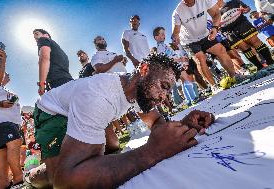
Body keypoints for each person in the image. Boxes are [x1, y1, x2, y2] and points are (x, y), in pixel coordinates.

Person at [29, 54, 214, 188]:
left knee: (112, 147)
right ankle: (30, 175)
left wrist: (184, 125)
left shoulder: (138, 89)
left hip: (81, 105)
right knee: (56, 178)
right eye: (164, 87)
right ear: (144, 70)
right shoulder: (99, 96)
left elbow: (158, 123)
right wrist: (151, 152)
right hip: (52, 112)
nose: (164, 97)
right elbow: (66, 182)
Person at [171, 0, 238, 93]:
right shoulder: (177, 11)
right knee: (200, 59)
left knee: (221, 50)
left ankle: (235, 77)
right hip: (189, 41)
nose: (187, 2)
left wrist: (215, 28)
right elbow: (176, 32)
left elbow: (216, 14)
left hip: (204, 35)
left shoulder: (204, 0)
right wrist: (175, 37)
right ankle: (214, 86)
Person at [218, 0, 274, 69]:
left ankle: (270, 62)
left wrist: (245, 9)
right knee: (244, 48)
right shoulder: (213, 13)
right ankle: (259, 67)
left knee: (255, 41)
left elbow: (247, 8)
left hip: (242, 24)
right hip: (228, 31)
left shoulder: (234, 2)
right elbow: (214, 24)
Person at [0, 72, 23, 189]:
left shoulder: (1, 89)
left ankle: (3, 184)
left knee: (2, 153)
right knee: (13, 147)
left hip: (7, 124)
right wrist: (0, 103)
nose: (7, 75)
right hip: (5, 123)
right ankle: (19, 180)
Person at [33, 29, 73, 95]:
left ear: (46, 35)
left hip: (56, 84)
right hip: (68, 81)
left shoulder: (43, 39)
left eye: (37, 34)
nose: (36, 38)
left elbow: (44, 58)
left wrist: (41, 84)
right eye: (34, 38)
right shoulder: (61, 51)